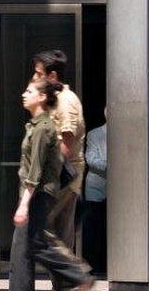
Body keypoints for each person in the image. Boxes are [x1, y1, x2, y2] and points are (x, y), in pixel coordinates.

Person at [9, 77, 94, 291]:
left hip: (39, 193)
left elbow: (35, 170)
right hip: (39, 192)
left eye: (29, 92)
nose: (24, 95)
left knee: (37, 244)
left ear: (42, 97)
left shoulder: (42, 128)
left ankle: (77, 275)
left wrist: (23, 204)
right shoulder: (36, 125)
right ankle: (76, 276)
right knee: (34, 244)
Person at [31, 50, 86, 250]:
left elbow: (67, 143)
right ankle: (67, 277)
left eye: (38, 74)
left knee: (52, 230)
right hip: (57, 177)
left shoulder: (66, 102)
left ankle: (72, 275)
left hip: (64, 178)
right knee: (54, 229)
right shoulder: (56, 100)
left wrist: (49, 175)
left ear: (52, 76)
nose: (34, 78)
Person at [83, 108, 107, 273]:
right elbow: (91, 159)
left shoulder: (128, 134)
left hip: (121, 190)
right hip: (96, 188)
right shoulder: (94, 134)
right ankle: (93, 265)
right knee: (93, 227)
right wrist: (112, 165)